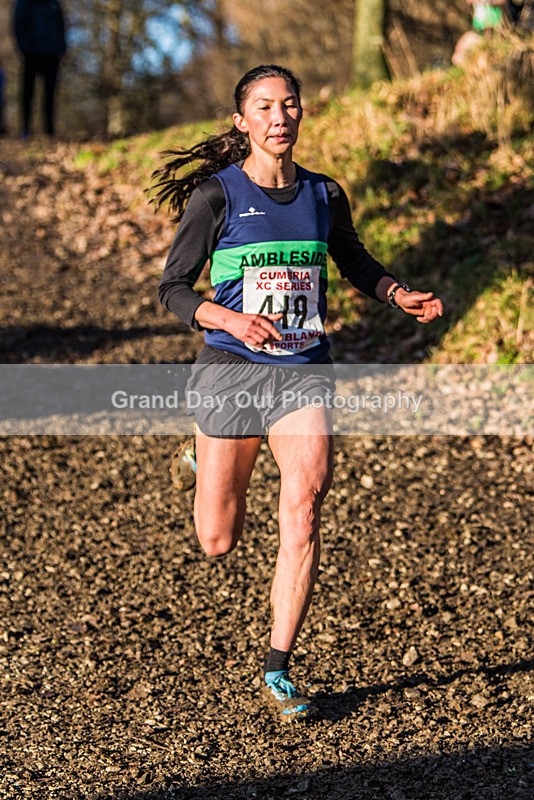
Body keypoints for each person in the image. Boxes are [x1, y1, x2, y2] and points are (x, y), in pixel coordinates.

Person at [154, 64, 443, 721]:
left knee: (305, 504)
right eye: (264, 107)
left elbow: (354, 259)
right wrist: (230, 319)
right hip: (230, 370)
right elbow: (172, 289)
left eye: (289, 105)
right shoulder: (217, 197)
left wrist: (396, 293)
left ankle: (279, 666)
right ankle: (201, 455)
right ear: (242, 121)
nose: (279, 116)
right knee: (217, 540)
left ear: (302, 114)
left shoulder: (323, 194)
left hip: (303, 369)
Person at [13, 0, 66, 138]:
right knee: (28, 92)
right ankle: (26, 128)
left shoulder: (54, 3)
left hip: (52, 53)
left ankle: (49, 130)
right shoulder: (25, 3)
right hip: (32, 53)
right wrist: (24, 48)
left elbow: (61, 26)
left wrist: (61, 48)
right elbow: (18, 24)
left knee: (50, 93)